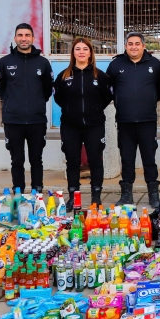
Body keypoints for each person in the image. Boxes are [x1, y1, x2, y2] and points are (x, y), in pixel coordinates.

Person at [106, 32, 160, 208]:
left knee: (149, 159)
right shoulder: (116, 64)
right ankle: (126, 195)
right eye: (130, 44)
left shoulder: (154, 64)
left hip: (147, 121)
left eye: (137, 44)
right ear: (125, 46)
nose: (133, 47)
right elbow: (109, 88)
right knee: (127, 159)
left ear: (143, 46)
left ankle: (153, 195)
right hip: (125, 121)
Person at [0, 23, 53, 194]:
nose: (24, 38)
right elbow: (1, 88)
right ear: (15, 38)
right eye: (20, 35)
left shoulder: (42, 63)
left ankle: (37, 192)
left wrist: (36, 103)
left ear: (33, 39)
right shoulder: (5, 62)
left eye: (27, 35)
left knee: (36, 159)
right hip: (13, 121)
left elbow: (48, 89)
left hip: (37, 120)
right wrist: (14, 103)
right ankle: (18, 193)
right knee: (17, 160)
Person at [54, 37, 112, 206]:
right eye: (78, 49)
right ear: (73, 53)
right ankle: (73, 197)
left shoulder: (99, 76)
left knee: (95, 160)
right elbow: (58, 97)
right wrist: (72, 110)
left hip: (94, 125)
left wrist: (94, 110)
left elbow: (107, 97)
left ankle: (96, 196)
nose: (81, 52)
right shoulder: (64, 76)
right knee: (72, 161)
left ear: (90, 53)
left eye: (85, 49)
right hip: (70, 126)